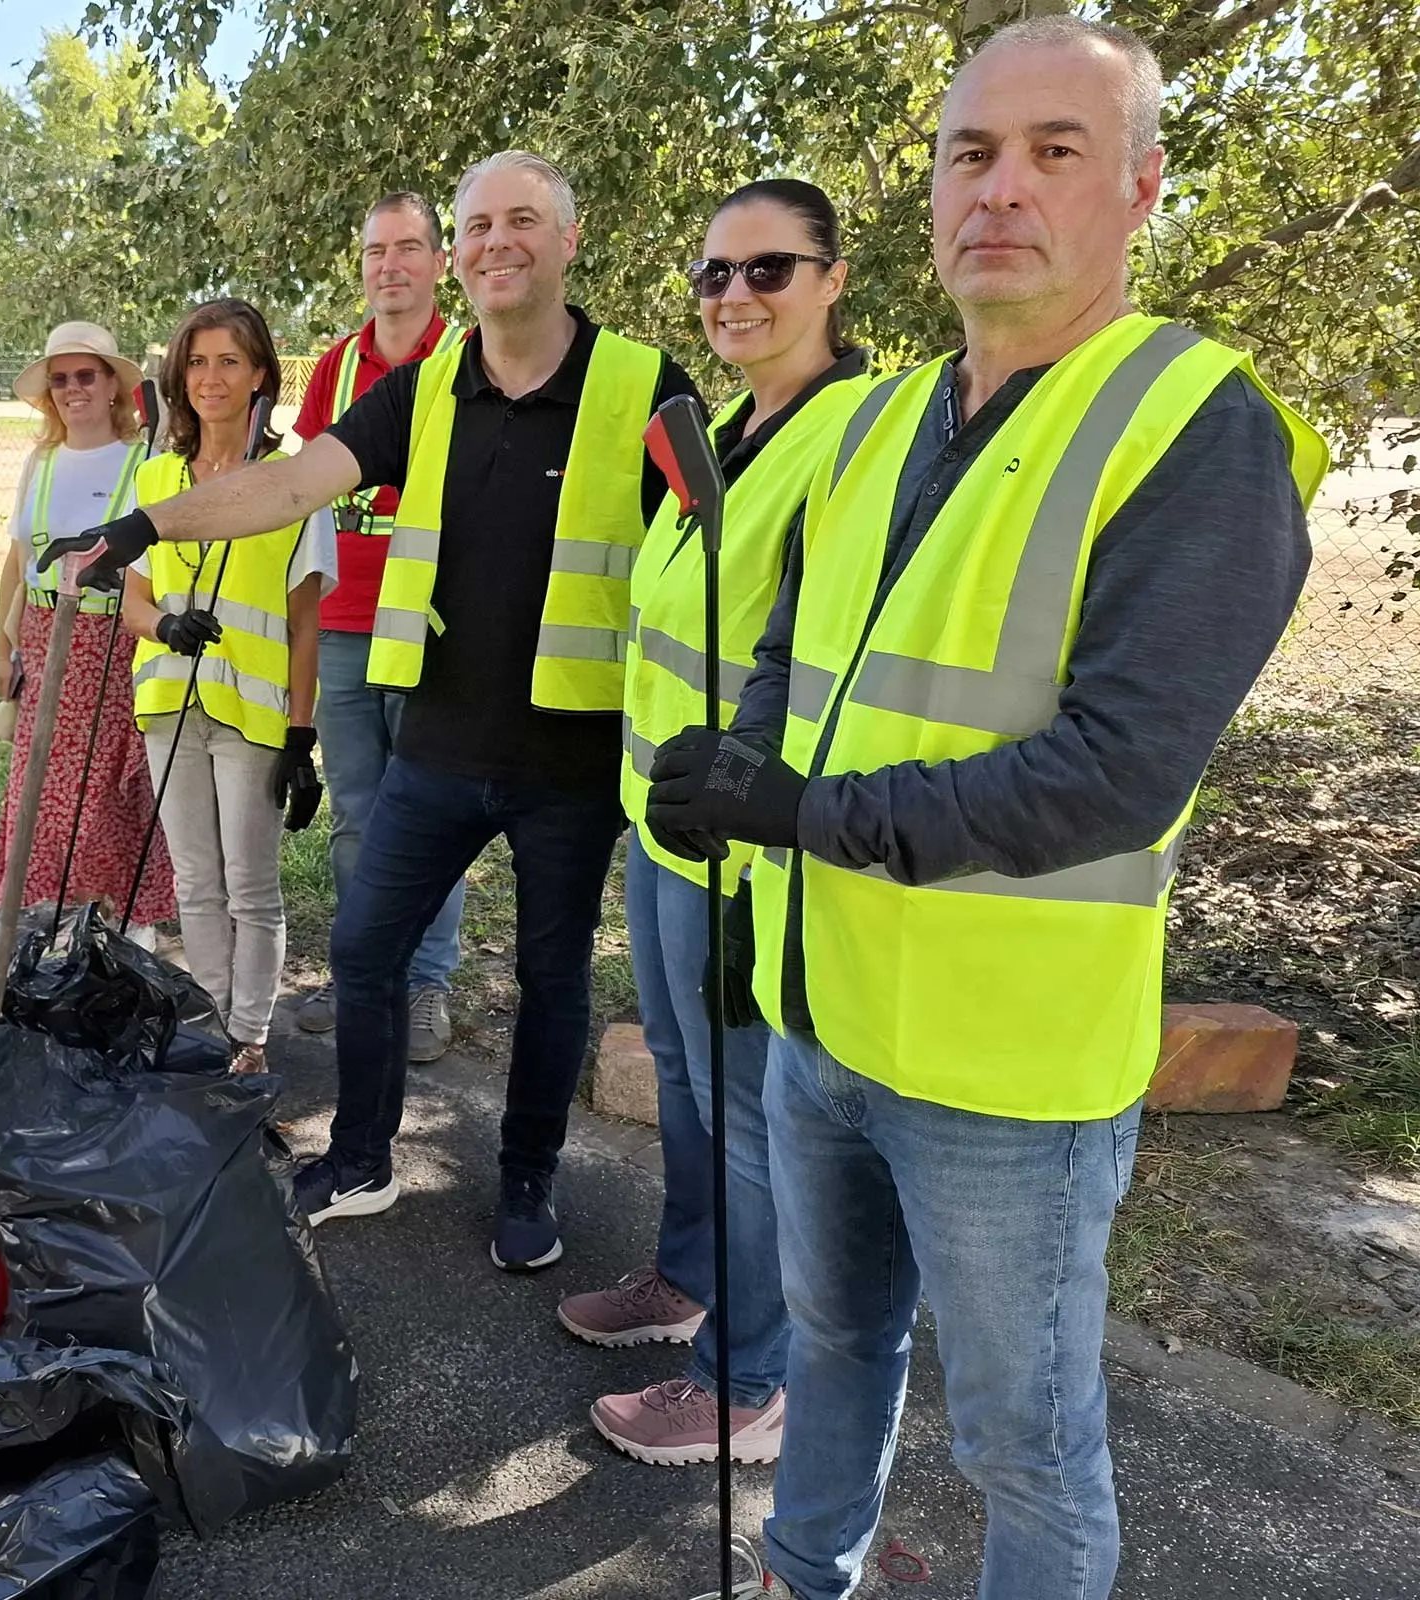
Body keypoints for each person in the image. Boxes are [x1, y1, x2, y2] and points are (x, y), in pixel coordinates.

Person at [642, 19, 1327, 1598]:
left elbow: (1116, 772)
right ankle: (802, 1572)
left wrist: (802, 813)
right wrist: (741, 775)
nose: (1000, 189)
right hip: (824, 1015)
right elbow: (791, 653)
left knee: (1026, 1450)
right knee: (834, 1342)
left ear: (1139, 186)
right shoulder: (877, 419)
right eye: (971, 153)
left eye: (1053, 152)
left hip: (1008, 1074)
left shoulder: (1198, 426)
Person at [44, 152, 700, 1271]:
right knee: (364, 945)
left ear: (569, 239)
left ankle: (528, 1179)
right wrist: (147, 528)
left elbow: (712, 558)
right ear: (460, 250)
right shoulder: (426, 386)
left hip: (572, 753)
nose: (497, 242)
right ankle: (362, 1157)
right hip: (439, 739)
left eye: (522, 220)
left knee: (552, 980)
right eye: (478, 224)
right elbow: (289, 484)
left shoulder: (645, 385)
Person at [554, 180, 871, 1469]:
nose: (735, 294)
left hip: (749, 844)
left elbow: (816, 652)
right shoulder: (729, 430)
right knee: (686, 1081)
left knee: (745, 1115)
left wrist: (748, 785)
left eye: (768, 269)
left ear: (833, 280)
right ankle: (687, 1281)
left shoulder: (850, 439)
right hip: (664, 822)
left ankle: (747, 1378)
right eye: (714, 273)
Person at [124, 298, 331, 1077]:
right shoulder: (154, 476)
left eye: (230, 362)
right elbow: (133, 602)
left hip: (254, 717)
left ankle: (250, 1037)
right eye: (197, 362)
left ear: (261, 377)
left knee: (251, 888)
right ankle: (209, 1023)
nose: (210, 379)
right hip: (169, 708)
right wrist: (163, 626)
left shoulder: (292, 482)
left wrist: (302, 735)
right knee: (195, 882)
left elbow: (304, 622)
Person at [291, 192, 465, 1064]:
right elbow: (303, 490)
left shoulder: (468, 359)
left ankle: (427, 982)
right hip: (343, 626)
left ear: (440, 263)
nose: (389, 266)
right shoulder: (335, 368)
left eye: (407, 248)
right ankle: (361, 971)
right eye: (374, 251)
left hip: (436, 630)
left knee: (431, 814)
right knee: (357, 815)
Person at [0, 321, 177, 935]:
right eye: (60, 379)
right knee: (40, 786)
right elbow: (17, 561)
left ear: (113, 385)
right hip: (45, 640)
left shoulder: (144, 461)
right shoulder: (39, 462)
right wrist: (3, 647)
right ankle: (45, 918)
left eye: (86, 376)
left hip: (116, 641)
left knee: (112, 789)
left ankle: (123, 927)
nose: (73, 389)